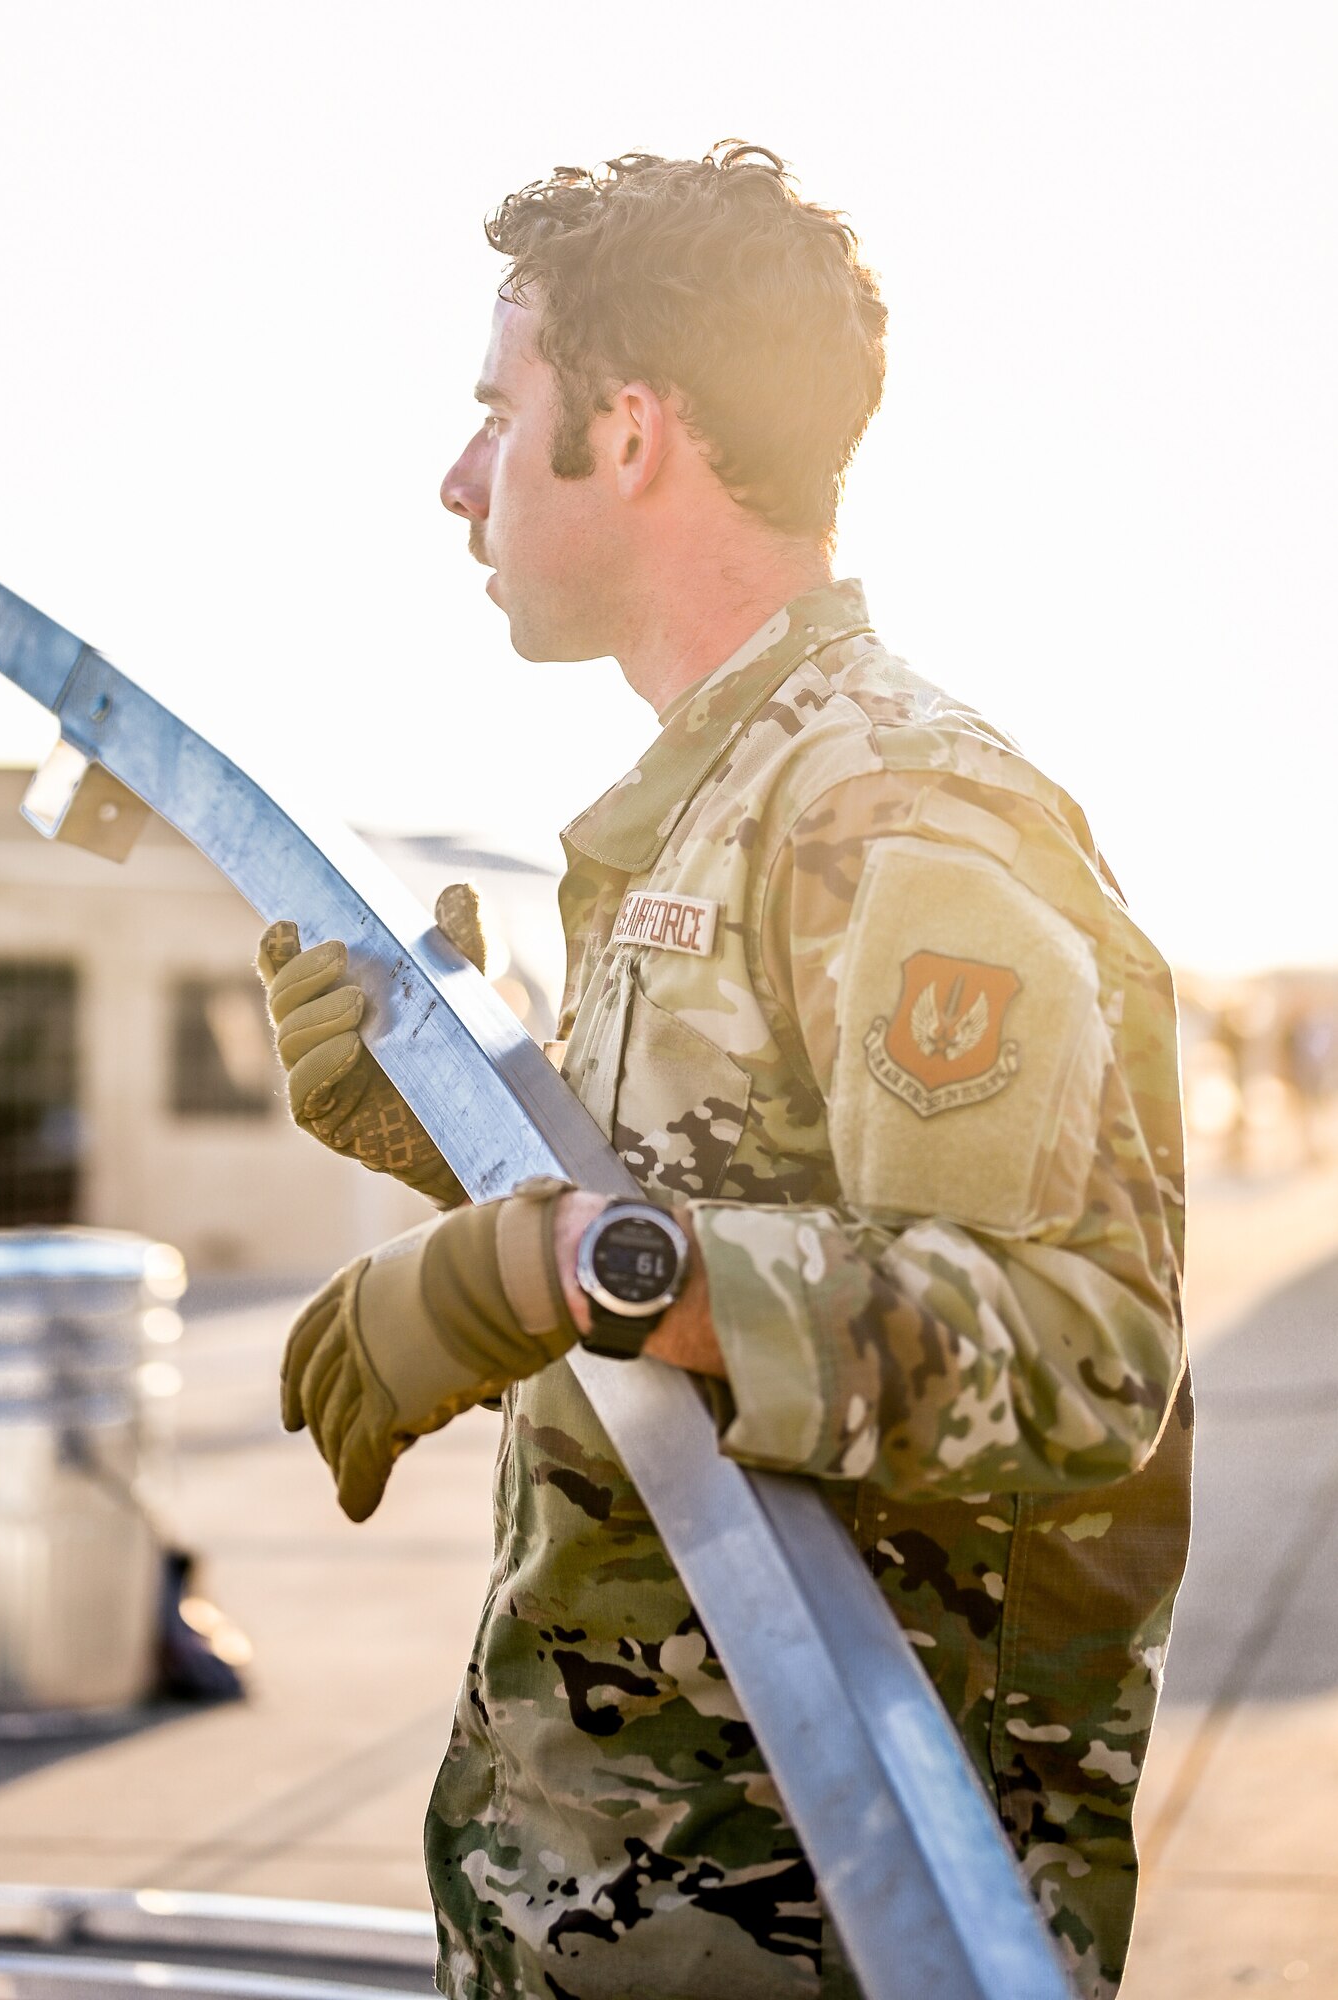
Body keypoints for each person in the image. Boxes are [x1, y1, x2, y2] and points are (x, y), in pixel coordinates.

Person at [256, 145, 1191, 2000]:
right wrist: (450, 1143)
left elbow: (1083, 1349)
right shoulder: (715, 805)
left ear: (629, 428)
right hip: (629, 1904)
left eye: (495, 416)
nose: (458, 480)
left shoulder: (888, 805)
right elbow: (745, 1227)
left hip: (830, 1930)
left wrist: (554, 1268)